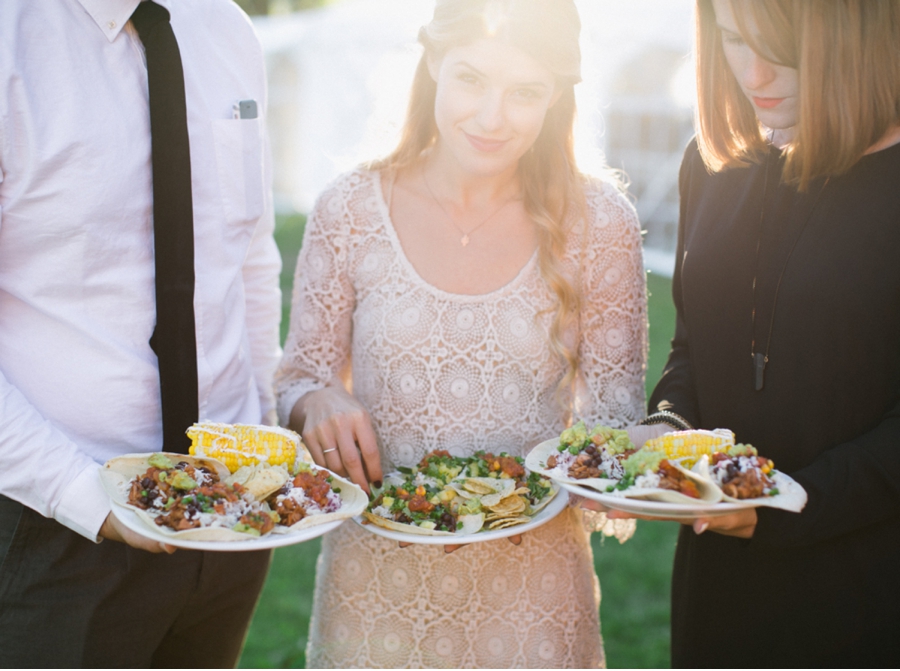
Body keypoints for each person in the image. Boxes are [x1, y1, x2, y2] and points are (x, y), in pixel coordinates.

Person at [274, 0, 647, 666]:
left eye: (525, 91)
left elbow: (618, 414)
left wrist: (604, 458)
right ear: (433, 63)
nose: (491, 117)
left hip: (533, 595)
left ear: (557, 96)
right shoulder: (350, 208)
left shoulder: (602, 223)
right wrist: (315, 400)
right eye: (471, 78)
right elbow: (300, 375)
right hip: (374, 590)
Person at [0, 0, 282, 666]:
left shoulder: (228, 28)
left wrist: (263, 427)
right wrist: (82, 497)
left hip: (232, 522)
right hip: (58, 537)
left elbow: (247, 253)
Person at [628, 0, 900, 666]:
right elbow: (695, 344)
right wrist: (670, 422)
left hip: (866, 592)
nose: (754, 73)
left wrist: (788, 502)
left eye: (780, 46)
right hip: (717, 589)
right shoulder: (712, 163)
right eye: (732, 40)